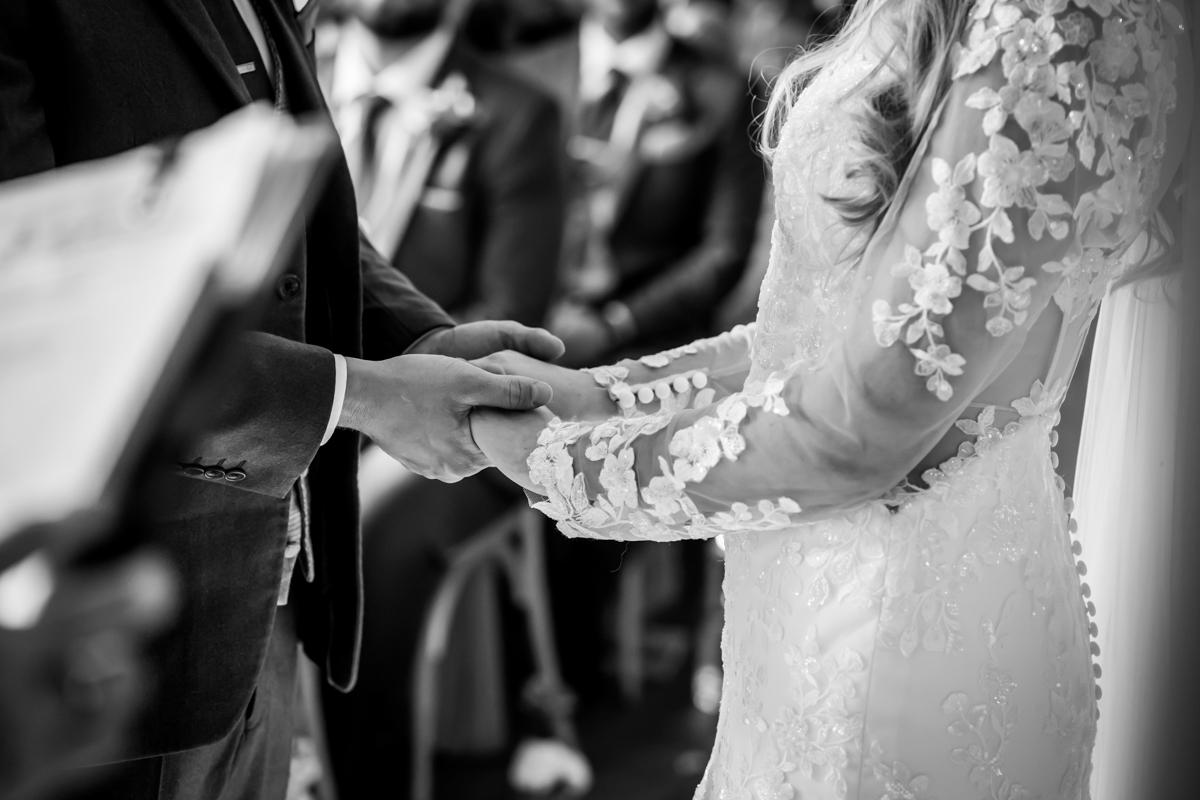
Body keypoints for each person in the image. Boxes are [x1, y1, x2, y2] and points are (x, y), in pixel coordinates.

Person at [468, 0, 1194, 797]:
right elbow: (819, 334)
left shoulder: (1057, 32)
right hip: (815, 604)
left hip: (899, 636)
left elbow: (860, 427)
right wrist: (597, 396)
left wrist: (553, 458)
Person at [0, 1, 564, 798]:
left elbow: (319, 227)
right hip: (100, 643)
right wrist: (357, 394)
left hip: (270, 589)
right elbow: (27, 312)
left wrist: (418, 343)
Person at [315, 0, 566, 795]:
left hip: (461, 423)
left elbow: (502, 326)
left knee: (362, 530)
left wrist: (393, 411)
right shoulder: (286, 84)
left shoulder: (519, 113)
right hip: (312, 403)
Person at [510, 0, 765, 367]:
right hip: (523, 337)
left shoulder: (725, 92)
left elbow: (724, 250)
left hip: (652, 352)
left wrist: (616, 325)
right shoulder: (527, 74)